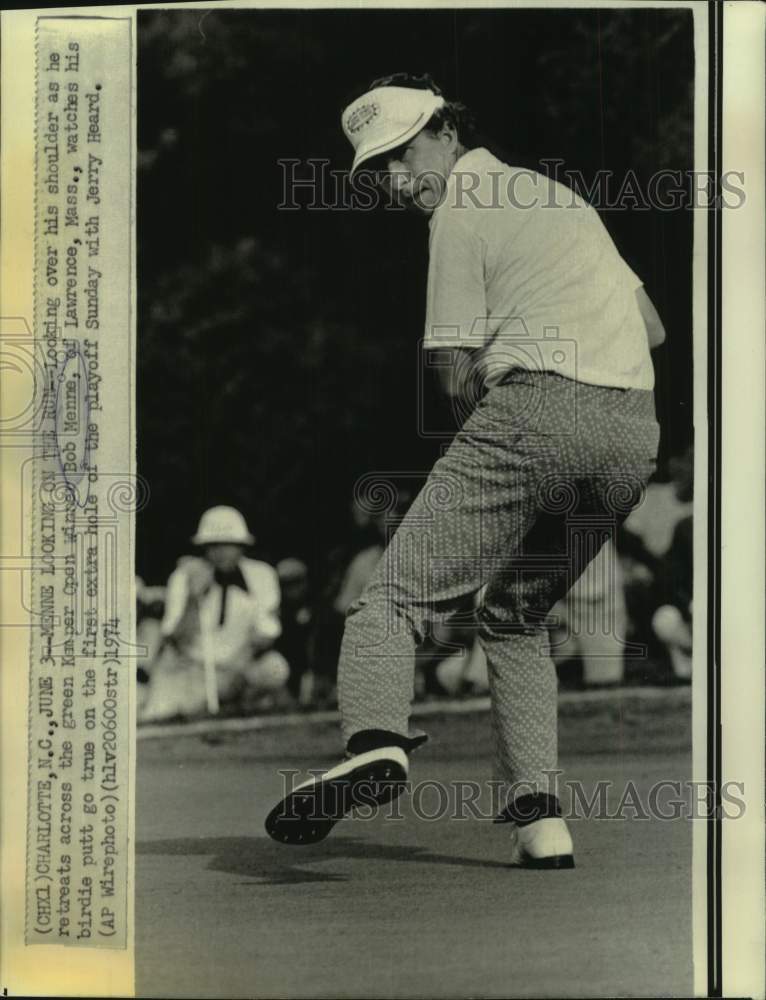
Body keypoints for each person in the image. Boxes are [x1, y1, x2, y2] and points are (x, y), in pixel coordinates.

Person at [266, 75, 663, 867]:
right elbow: (652, 328)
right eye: (377, 169)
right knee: (512, 616)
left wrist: (483, 452)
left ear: (447, 132)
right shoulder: (559, 197)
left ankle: (376, 739)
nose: (393, 181)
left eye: (402, 155)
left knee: (390, 598)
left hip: (533, 418)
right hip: (632, 438)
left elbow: (449, 368)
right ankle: (541, 822)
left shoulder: (458, 211)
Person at [139, 506, 289, 722]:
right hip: (194, 671)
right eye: (214, 545)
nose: (221, 552)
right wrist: (193, 598)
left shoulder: (262, 574)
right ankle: (219, 702)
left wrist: (239, 664)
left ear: (242, 546)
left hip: (241, 665)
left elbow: (268, 632)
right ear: (204, 548)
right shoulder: (183, 577)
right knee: (162, 713)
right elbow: (175, 638)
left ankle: (242, 701)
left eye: (229, 544)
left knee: (275, 668)